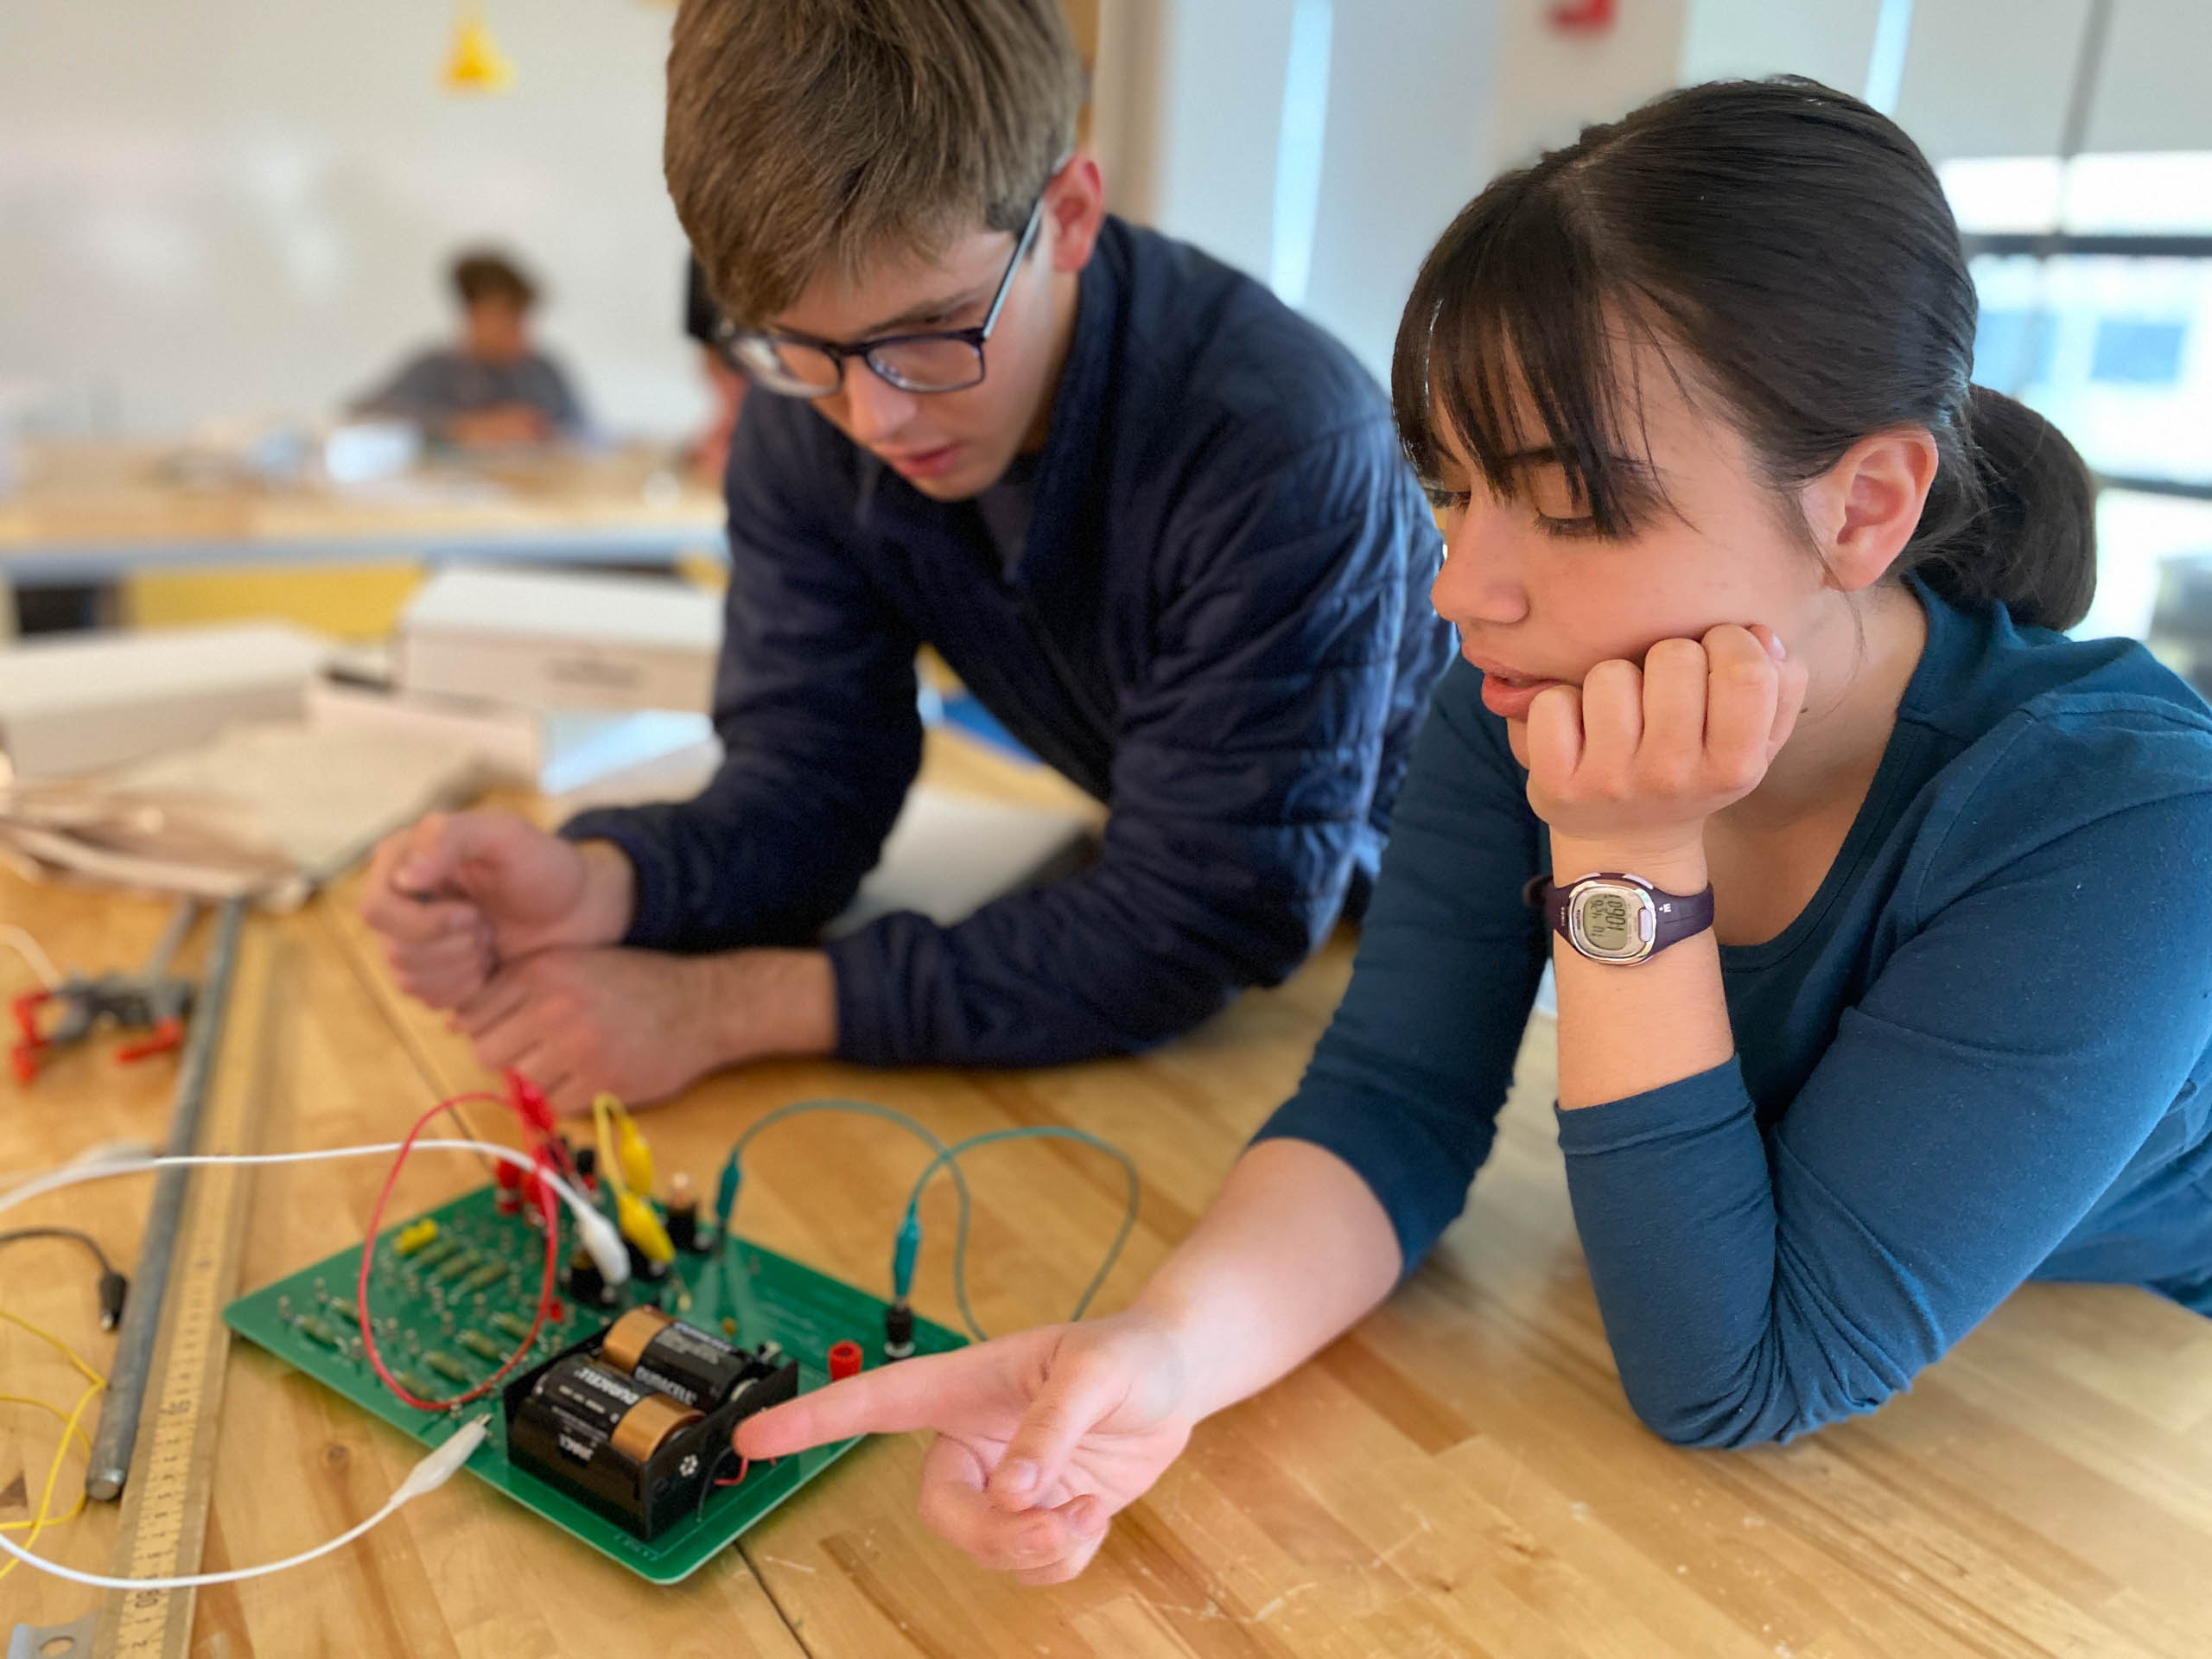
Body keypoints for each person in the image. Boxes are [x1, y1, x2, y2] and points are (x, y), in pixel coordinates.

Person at [728, 78, 2212, 1585]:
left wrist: (1626, 855)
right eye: (1452, 488)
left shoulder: (2127, 822)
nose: (1464, 589)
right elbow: (1392, 1101)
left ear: (1865, 506)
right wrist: (1165, 1357)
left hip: (2137, 1401)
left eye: (1572, 506)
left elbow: (1734, 1373)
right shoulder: (1543, 686)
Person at [359, 0, 1452, 1108]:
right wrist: (598, 886)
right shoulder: (808, 412)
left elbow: (1205, 915)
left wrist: (717, 1009)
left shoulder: (1282, 441)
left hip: (1457, 945)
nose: (877, 418)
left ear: (1067, 216)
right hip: (1221, 903)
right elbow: (809, 779)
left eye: (936, 328)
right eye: (799, 343)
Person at [352, 250, 588, 446]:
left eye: (519, 318)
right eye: (503, 317)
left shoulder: (543, 371)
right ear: (472, 317)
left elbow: (587, 432)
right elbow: (362, 416)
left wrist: (545, 432)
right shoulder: (435, 368)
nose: (515, 330)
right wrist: (460, 427)